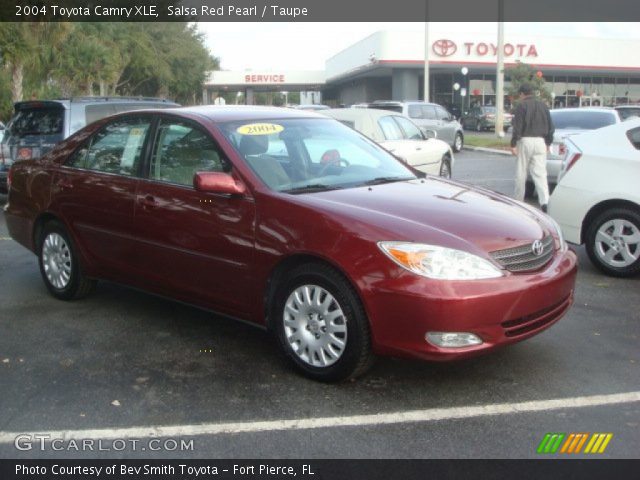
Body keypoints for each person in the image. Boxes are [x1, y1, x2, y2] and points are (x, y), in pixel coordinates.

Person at [510, 82, 555, 212]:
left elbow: (517, 127)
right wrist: (548, 142)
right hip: (541, 141)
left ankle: (518, 202)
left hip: (525, 140)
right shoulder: (543, 106)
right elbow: (551, 127)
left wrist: (513, 143)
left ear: (522, 94)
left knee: (521, 172)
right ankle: (545, 202)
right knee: (540, 174)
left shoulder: (521, 106)